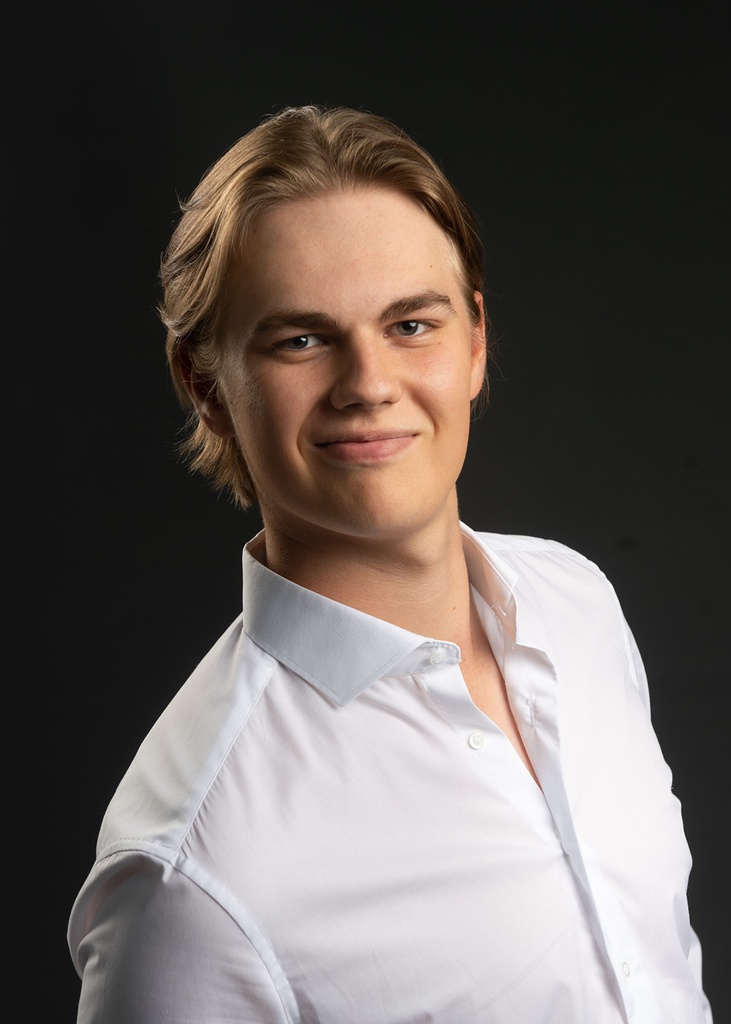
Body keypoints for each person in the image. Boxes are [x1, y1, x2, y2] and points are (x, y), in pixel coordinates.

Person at [67, 104, 712, 1023]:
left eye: (410, 324)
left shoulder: (577, 603)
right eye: (301, 339)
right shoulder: (192, 872)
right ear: (204, 385)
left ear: (475, 341)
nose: (368, 384)